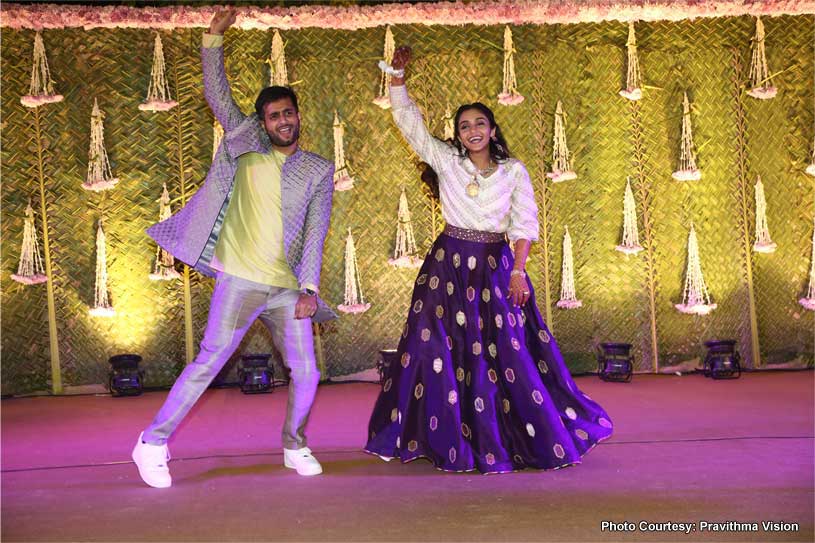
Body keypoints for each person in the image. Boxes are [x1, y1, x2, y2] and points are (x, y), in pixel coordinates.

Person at [365, 46, 613, 473]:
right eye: (464, 126)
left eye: (480, 123)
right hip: (447, 268)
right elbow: (410, 125)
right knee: (433, 347)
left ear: (493, 130)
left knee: (503, 354)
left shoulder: (514, 171)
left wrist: (518, 271)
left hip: (496, 267)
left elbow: (524, 224)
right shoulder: (446, 161)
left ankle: (506, 437)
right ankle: (434, 437)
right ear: (458, 135)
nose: (472, 130)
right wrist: (397, 80)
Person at [132, 8, 336, 488]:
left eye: (289, 113)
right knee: (209, 360)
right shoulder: (245, 145)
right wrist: (213, 39)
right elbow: (218, 94)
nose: (283, 121)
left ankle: (294, 444)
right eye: (274, 116)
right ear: (262, 123)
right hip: (240, 278)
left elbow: (317, 230)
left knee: (306, 371)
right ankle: (152, 443)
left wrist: (309, 286)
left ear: (298, 116)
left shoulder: (318, 169)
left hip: (287, 288)